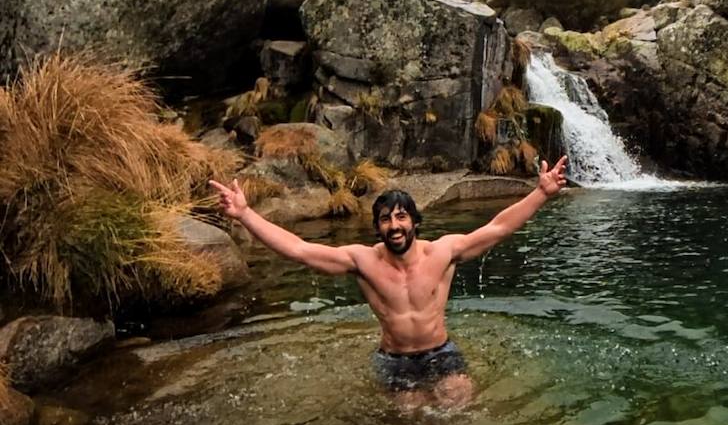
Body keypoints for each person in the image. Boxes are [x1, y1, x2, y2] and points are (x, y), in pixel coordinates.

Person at [209, 155, 569, 407]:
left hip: (441, 353)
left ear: (414, 222)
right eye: (385, 219)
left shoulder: (443, 252)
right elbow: (300, 250)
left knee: (459, 406)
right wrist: (244, 214)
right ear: (377, 227)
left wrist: (540, 193)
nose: (394, 226)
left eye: (401, 217)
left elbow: (498, 227)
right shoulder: (362, 260)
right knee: (409, 419)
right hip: (394, 360)